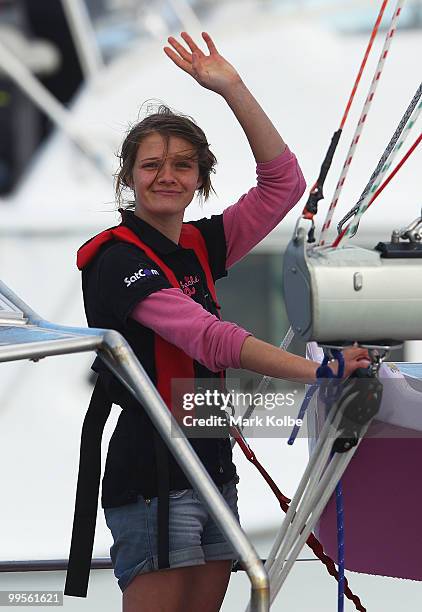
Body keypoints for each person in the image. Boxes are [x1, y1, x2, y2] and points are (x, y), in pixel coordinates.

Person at [73, 32, 370, 612]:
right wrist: (321, 369)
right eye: (152, 165)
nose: (167, 176)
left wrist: (230, 87)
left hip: (211, 463)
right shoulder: (116, 261)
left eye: (182, 165)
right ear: (128, 179)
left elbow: (283, 184)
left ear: (200, 178)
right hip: (151, 473)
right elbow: (209, 337)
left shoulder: (202, 244)